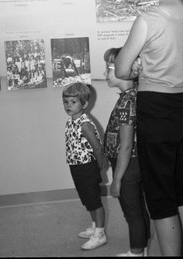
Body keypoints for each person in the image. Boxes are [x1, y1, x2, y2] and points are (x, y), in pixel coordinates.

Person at [115, 0, 183, 256]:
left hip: (160, 111)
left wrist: (138, 65)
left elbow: (122, 69)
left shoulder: (149, 18)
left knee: (161, 198)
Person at [103, 47, 150, 257]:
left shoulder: (126, 102)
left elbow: (127, 145)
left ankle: (137, 251)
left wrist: (117, 179)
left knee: (132, 212)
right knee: (139, 208)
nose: (105, 74)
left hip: (127, 166)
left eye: (109, 68)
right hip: (133, 163)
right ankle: (143, 247)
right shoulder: (133, 95)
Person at [62, 82, 107, 251]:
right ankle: (95, 226)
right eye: (66, 102)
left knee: (95, 201)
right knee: (87, 199)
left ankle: (100, 234)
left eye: (73, 102)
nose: (68, 105)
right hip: (76, 166)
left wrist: (100, 168)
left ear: (84, 104)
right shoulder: (71, 121)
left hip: (87, 166)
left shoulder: (85, 124)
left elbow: (97, 148)